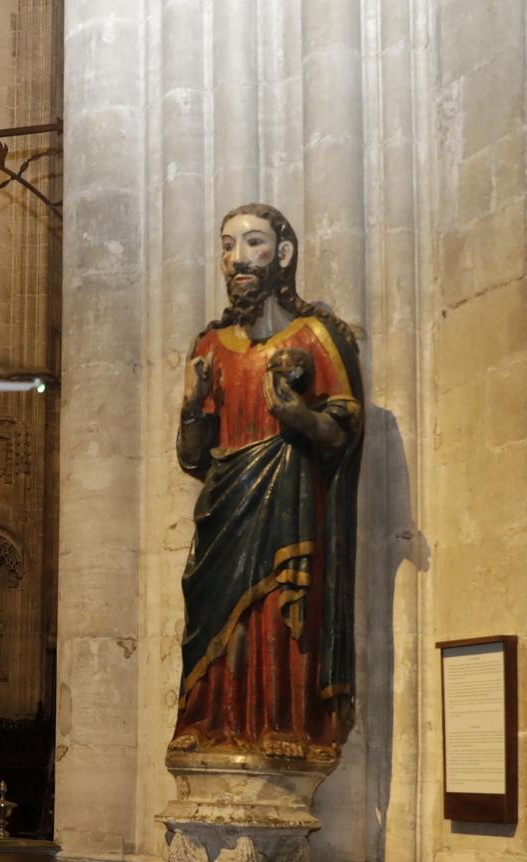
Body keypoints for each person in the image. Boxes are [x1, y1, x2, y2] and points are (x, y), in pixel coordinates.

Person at [171, 202, 366, 763]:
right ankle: (209, 721)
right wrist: (191, 407)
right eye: (227, 246)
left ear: (283, 255)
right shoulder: (209, 346)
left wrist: (298, 416)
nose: (238, 259)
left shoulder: (316, 337)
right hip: (226, 502)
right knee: (213, 617)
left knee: (279, 611)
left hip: (289, 497)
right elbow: (191, 458)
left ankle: (284, 722)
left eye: (253, 244)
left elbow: (343, 434)